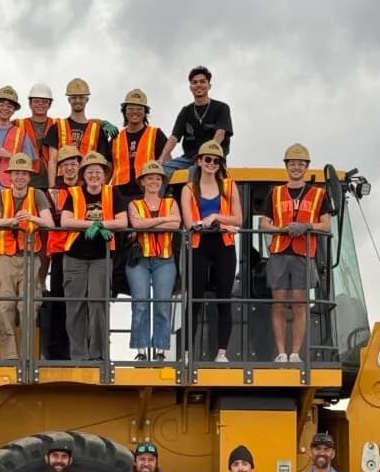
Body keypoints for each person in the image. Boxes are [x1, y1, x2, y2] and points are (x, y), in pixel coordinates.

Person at [259, 144, 330, 363]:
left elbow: (326, 226)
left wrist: (306, 226)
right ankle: (281, 353)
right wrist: (282, 229)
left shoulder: (319, 195)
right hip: (280, 252)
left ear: (307, 167)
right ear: (286, 166)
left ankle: (295, 353)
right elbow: (263, 224)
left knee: (300, 303)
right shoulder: (275, 193)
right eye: (292, 163)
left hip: (303, 253)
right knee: (278, 302)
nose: (296, 167)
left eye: (301, 164)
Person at [60, 151, 129, 361]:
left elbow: (122, 222)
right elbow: (65, 221)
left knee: (98, 305)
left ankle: (98, 355)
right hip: (74, 256)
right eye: (90, 171)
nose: (94, 175)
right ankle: (79, 356)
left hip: (101, 257)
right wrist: (94, 224)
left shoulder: (112, 193)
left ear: (104, 175)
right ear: (84, 174)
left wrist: (101, 225)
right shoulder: (74, 193)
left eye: (98, 171)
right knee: (75, 307)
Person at [0, 153, 55, 360]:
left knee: (27, 308)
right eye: (16, 173)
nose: (20, 177)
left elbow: (50, 223)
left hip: (29, 257)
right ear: (10, 176)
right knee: (5, 306)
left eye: (24, 174)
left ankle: (27, 357)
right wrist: (12, 222)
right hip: (5, 258)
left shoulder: (38, 195)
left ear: (29, 176)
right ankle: (9, 358)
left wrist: (31, 218)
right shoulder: (1, 195)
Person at [181, 140, 243, 362]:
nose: (212, 163)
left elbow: (239, 219)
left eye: (216, 160)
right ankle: (187, 353)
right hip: (199, 245)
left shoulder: (229, 185)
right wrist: (205, 224)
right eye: (207, 159)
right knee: (194, 299)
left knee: (223, 299)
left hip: (224, 245)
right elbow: (189, 223)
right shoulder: (188, 188)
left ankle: (222, 353)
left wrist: (216, 217)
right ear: (198, 161)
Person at [126, 161, 180, 361]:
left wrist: (149, 223)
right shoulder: (134, 204)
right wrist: (162, 220)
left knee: (162, 304)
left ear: (162, 182)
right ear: (142, 182)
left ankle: (161, 350)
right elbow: (137, 224)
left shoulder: (171, 203)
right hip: (139, 260)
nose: (154, 181)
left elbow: (176, 224)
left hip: (165, 259)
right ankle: (140, 350)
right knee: (140, 303)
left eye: (157, 178)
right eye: (150, 178)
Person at [43, 144, 83, 360]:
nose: (69, 168)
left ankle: (82, 349)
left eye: (73, 164)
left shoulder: (88, 189)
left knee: (83, 302)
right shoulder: (53, 193)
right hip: (60, 251)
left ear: (79, 166)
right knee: (60, 301)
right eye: (66, 165)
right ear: (60, 168)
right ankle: (58, 351)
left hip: (84, 250)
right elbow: (54, 220)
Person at [160, 65, 234, 182]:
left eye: (202, 82)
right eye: (194, 82)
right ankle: (159, 200)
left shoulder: (221, 107)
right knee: (161, 170)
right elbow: (174, 137)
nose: (198, 85)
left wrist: (206, 156)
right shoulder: (186, 111)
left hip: (212, 158)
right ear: (190, 87)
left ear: (209, 85)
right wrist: (161, 159)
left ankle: (193, 199)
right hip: (189, 158)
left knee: (195, 171)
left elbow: (220, 133)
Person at [43, 77, 115, 188]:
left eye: (81, 97)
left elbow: (103, 163)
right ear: (69, 100)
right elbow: (52, 161)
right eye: (74, 97)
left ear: (87, 99)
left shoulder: (97, 130)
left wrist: (100, 187)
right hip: (62, 184)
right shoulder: (57, 127)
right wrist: (52, 187)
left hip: (87, 185)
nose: (77, 100)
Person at [111, 89, 168, 200]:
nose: (135, 112)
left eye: (139, 108)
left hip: (146, 192)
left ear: (145, 112)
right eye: (131, 108)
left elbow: (166, 162)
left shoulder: (155, 134)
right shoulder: (116, 137)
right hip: (118, 194)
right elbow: (108, 167)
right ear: (125, 111)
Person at [21, 83, 55, 190]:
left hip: (51, 182)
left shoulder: (57, 124)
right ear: (30, 104)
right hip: (26, 183)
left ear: (49, 104)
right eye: (36, 101)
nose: (40, 104)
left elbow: (76, 121)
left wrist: (102, 122)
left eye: (44, 101)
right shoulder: (18, 124)